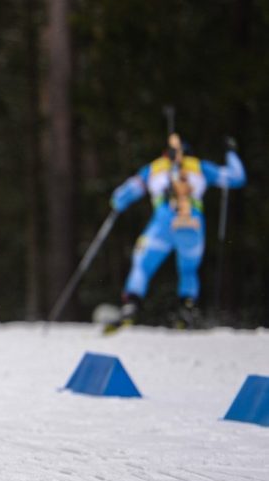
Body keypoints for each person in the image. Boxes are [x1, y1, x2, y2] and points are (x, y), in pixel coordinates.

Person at [103, 134, 245, 334]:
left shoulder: (155, 168)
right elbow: (236, 178)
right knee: (189, 270)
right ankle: (186, 309)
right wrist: (231, 153)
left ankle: (132, 304)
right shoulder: (199, 167)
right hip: (191, 225)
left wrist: (118, 203)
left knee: (142, 264)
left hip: (162, 224)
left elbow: (123, 195)